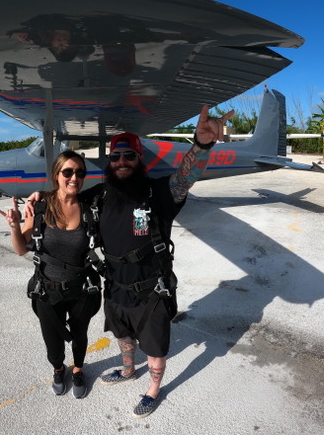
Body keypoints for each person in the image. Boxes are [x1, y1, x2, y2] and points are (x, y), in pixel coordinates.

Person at [26, 105, 233, 417]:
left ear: (140, 159)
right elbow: (66, 192)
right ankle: (127, 371)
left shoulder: (158, 193)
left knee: (155, 349)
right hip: (115, 289)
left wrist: (202, 145)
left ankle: (153, 389)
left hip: (152, 291)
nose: (121, 162)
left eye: (129, 156)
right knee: (122, 337)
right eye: (115, 157)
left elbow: (186, 176)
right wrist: (40, 197)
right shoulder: (101, 195)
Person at [0, 150, 102, 399]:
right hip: (46, 289)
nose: (74, 177)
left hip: (81, 289)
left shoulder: (89, 209)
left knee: (80, 336)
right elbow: (22, 248)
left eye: (79, 172)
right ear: (56, 175)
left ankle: (77, 369)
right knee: (52, 343)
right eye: (67, 172)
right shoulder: (40, 208)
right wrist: (14, 226)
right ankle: (58, 368)